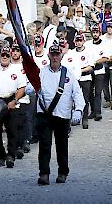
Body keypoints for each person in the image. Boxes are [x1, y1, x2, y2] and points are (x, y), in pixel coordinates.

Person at [34, 43, 85, 185]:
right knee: (44, 145)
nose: (55, 57)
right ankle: (44, 173)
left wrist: (79, 110)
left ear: (61, 56)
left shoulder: (68, 73)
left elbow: (77, 93)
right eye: (53, 54)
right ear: (49, 55)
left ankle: (63, 172)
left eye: (57, 54)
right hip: (44, 114)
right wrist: (29, 89)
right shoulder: (42, 72)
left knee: (62, 145)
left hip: (62, 115)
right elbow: (32, 86)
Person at [0, 46, 27, 168]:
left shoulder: (17, 70)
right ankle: (0, 155)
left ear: (10, 56)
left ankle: (11, 155)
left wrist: (15, 100)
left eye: (7, 55)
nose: (5, 57)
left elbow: (22, 87)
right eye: (3, 55)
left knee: (12, 130)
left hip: (11, 100)